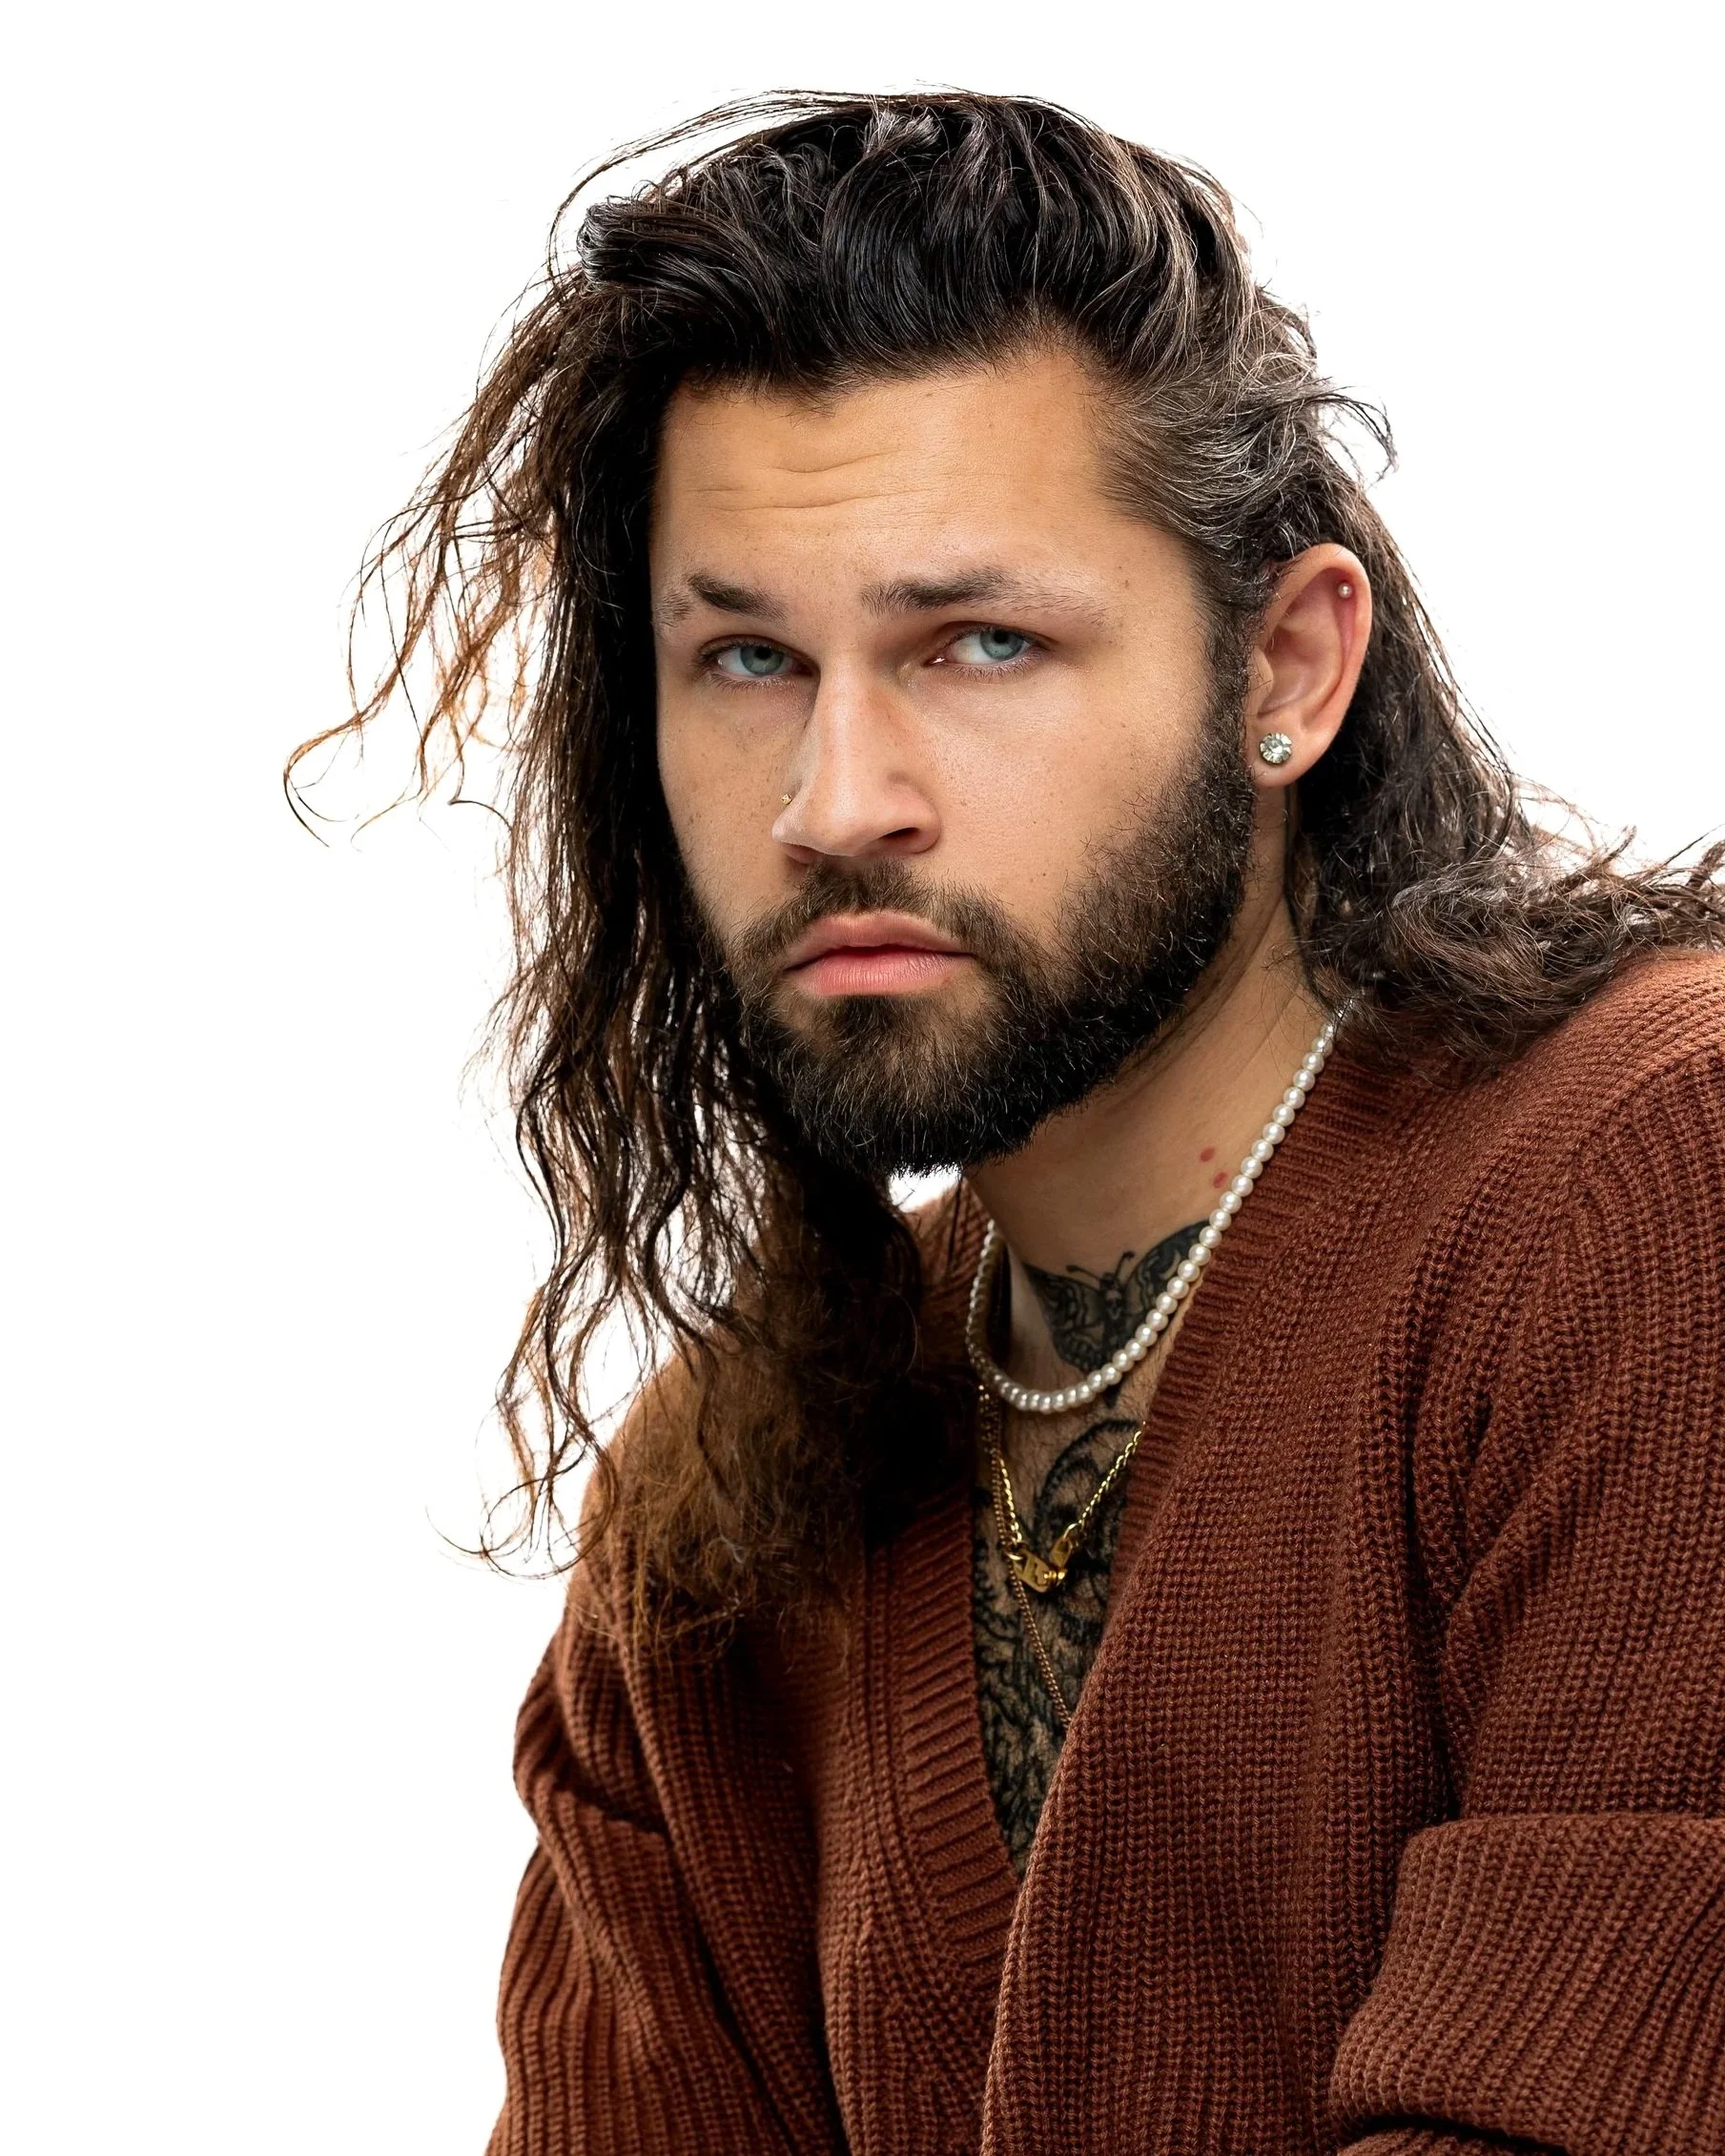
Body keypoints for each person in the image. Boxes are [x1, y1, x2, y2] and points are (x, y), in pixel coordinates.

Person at [297, 92, 1725, 2155]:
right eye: (746, 657)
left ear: (1288, 667)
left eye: (976, 642)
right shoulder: (726, 1504)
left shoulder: (1649, 1189)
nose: (835, 794)